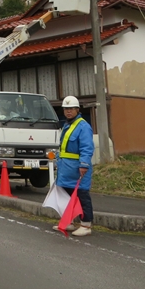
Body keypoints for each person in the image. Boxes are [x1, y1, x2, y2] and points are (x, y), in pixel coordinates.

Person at [53, 95, 95, 236]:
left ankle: (86, 224)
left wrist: (84, 164)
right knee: (66, 196)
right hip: (66, 168)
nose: (68, 111)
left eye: (71, 109)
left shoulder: (83, 126)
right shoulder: (67, 125)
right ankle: (69, 221)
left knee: (82, 195)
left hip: (77, 169)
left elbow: (87, 147)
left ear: (77, 109)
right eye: (66, 109)